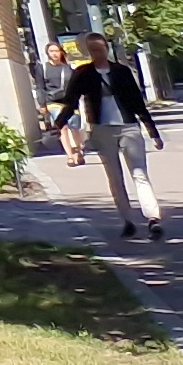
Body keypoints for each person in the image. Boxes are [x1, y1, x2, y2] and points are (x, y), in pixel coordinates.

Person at [52, 33, 166, 240]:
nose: (98, 53)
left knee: (139, 173)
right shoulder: (83, 73)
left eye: (100, 48)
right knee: (115, 177)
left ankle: (153, 218)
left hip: (128, 127)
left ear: (107, 48)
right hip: (102, 129)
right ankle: (128, 221)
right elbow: (71, 101)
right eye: (93, 50)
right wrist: (58, 124)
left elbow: (137, 102)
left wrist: (153, 132)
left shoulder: (122, 71)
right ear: (88, 51)